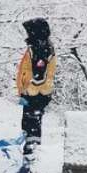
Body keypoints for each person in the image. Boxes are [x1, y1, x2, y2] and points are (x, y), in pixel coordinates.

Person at [16, 18, 57, 156]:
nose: (27, 34)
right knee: (32, 122)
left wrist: (27, 91)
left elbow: (38, 75)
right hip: (36, 93)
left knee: (31, 122)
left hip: (36, 94)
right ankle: (31, 149)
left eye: (29, 31)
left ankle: (31, 151)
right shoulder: (40, 46)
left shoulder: (40, 48)